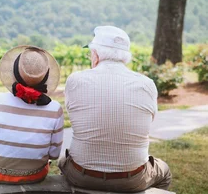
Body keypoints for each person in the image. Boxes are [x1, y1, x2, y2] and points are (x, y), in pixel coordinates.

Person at [59, 26, 172, 192]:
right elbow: (149, 120)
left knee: (63, 162)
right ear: (125, 57)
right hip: (132, 179)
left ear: (96, 54)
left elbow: (76, 115)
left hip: (81, 175)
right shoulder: (147, 84)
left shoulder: (75, 80)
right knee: (165, 171)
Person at [0, 45, 64, 184]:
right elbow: (54, 155)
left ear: (14, 72)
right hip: (34, 176)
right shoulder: (54, 109)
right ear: (45, 77)